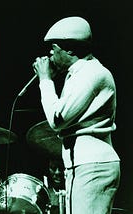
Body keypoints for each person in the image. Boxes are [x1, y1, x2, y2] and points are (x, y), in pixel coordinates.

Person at [32, 16, 120, 214]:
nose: (50, 53)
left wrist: (45, 81)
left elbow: (57, 119)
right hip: (82, 164)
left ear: (70, 49)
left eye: (54, 47)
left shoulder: (92, 74)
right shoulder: (78, 74)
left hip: (94, 165)